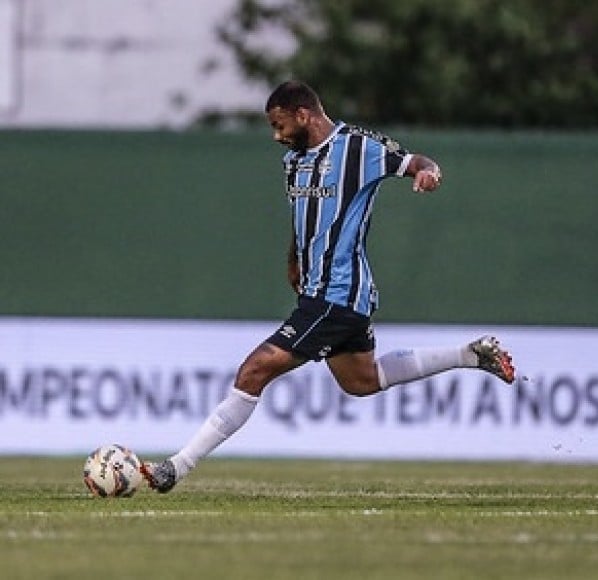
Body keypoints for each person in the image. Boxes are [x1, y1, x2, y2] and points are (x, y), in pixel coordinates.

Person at [141, 80, 516, 493]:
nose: (276, 135)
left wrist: (428, 172)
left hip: (336, 294)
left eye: (279, 124)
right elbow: (301, 216)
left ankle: (176, 467)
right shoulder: (293, 162)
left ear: (303, 115)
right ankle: (470, 354)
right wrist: (293, 258)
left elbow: (416, 161)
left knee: (254, 370)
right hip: (324, 293)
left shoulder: (358, 147)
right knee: (361, 381)